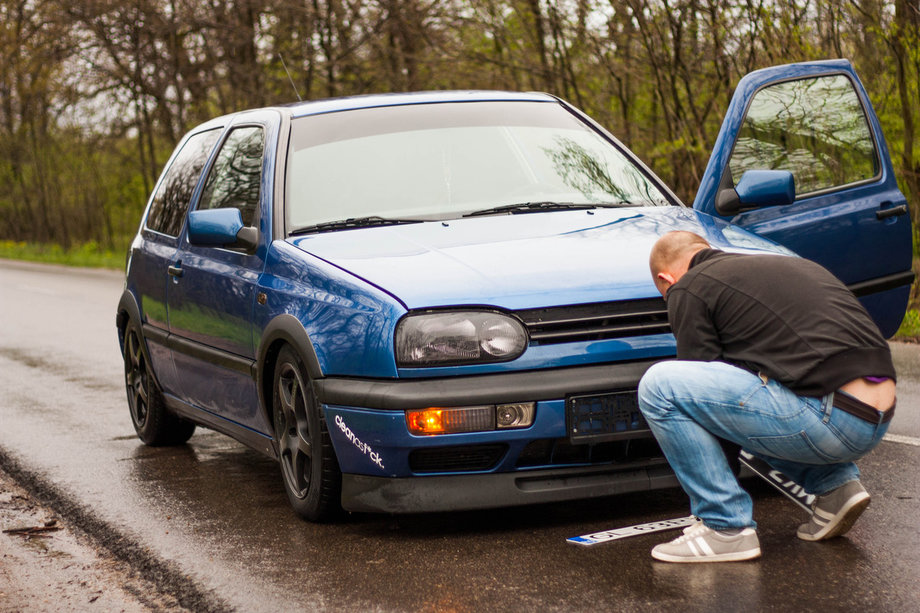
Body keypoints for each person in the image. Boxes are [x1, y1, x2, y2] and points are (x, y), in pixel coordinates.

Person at [638, 231, 896, 563]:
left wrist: (709, 509)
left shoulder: (688, 286)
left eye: (665, 295)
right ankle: (836, 488)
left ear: (666, 278)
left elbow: (705, 403)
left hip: (830, 417)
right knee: (754, 391)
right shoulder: (772, 266)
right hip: (876, 416)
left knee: (659, 386)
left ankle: (725, 529)